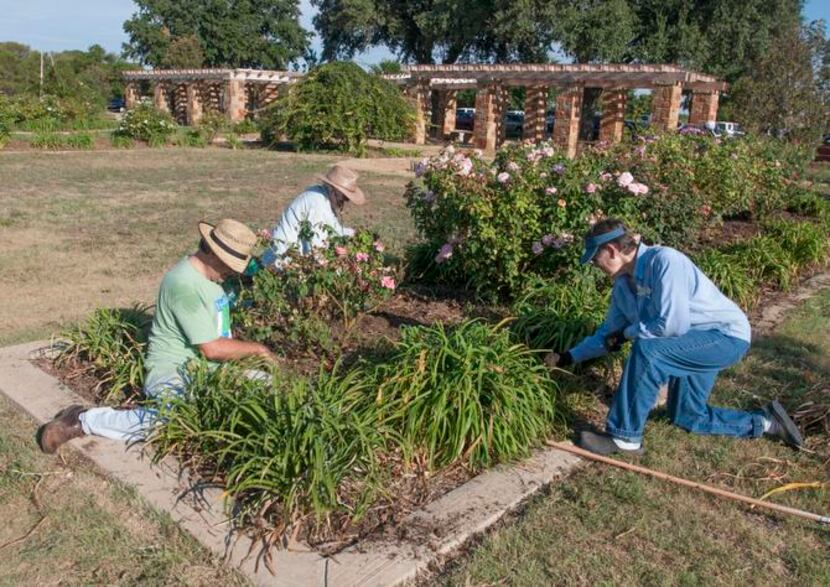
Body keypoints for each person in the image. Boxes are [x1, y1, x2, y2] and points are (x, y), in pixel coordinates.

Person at [546, 219, 803, 456]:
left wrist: (627, 334)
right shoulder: (623, 286)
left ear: (612, 250)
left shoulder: (665, 261)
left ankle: (624, 438)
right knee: (687, 416)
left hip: (724, 337)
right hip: (691, 342)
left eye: (595, 258)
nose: (594, 265)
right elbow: (607, 334)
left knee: (649, 351)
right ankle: (768, 423)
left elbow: (671, 325)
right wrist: (568, 357)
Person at [38, 219, 277, 452]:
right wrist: (259, 349)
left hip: (206, 370)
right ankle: (82, 419)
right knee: (168, 421)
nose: (232, 272)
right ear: (214, 255)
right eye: (229, 265)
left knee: (266, 385)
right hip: (174, 371)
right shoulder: (183, 285)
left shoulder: (210, 277)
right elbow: (212, 348)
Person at [261, 164, 366, 266]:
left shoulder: (323, 198)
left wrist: (355, 234)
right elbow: (316, 247)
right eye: (343, 196)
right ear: (332, 189)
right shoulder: (317, 203)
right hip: (282, 260)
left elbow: (334, 229)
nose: (345, 201)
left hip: (292, 257)